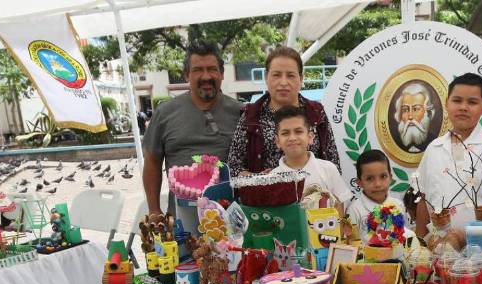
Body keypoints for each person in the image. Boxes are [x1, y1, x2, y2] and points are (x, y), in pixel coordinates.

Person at [142, 41, 242, 218]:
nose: (206, 76)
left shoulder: (241, 113)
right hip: (182, 218)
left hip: (232, 218)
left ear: (222, 73)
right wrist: (154, 210)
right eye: (197, 70)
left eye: (212, 69)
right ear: (186, 74)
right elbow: (152, 163)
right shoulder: (165, 113)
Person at [414, 73, 482, 246]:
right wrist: (419, 244)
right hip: (436, 248)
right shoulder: (434, 148)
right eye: (457, 100)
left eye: (472, 102)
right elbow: (424, 200)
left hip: (476, 251)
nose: (463, 107)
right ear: (446, 103)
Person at [227, 46, 340, 176]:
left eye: (290, 75)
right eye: (276, 75)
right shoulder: (251, 116)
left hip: (314, 192)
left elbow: (334, 163)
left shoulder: (316, 112)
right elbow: (234, 168)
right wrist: (264, 180)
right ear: (266, 77)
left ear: (301, 78)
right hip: (266, 194)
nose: (283, 82)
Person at [270, 105, 351, 208]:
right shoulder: (272, 178)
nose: (292, 138)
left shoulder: (328, 169)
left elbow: (340, 205)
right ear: (277, 141)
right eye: (285, 133)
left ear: (310, 137)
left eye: (298, 131)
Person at [345, 149, 406, 241]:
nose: (378, 184)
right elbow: (351, 244)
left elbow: (403, 236)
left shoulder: (398, 205)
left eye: (383, 176)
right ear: (360, 182)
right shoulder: (354, 210)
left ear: (390, 178)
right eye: (369, 178)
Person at [394, 82, 436, 153]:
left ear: (426, 112)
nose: (410, 116)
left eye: (416, 109)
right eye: (405, 110)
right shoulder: (395, 142)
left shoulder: (435, 141)